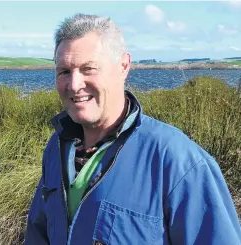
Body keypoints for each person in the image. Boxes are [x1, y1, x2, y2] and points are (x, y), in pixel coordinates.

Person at [25, 13, 241, 245]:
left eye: (89, 69)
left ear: (123, 66)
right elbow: (39, 233)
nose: (74, 85)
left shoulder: (178, 161)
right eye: (64, 71)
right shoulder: (57, 146)